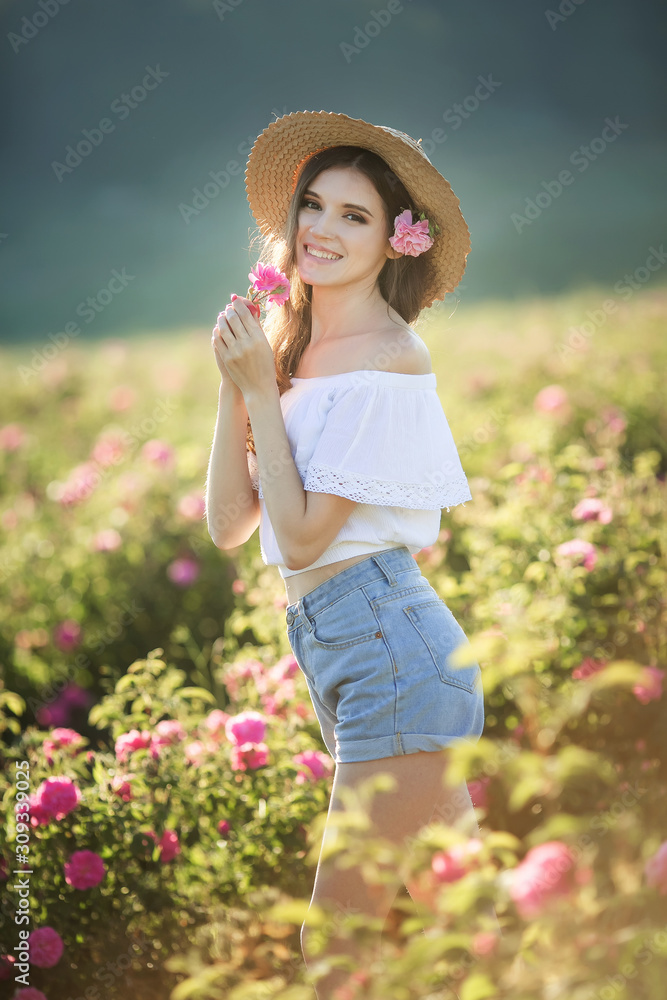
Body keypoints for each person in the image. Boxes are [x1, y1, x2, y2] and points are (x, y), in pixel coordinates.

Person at [205, 110, 500, 998]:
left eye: (354, 216)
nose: (321, 230)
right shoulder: (297, 352)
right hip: (344, 650)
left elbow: (297, 536)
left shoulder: (390, 361)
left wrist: (261, 390)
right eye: (313, 206)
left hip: (392, 651)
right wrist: (241, 383)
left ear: (395, 243)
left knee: (336, 952)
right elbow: (230, 526)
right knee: (469, 934)